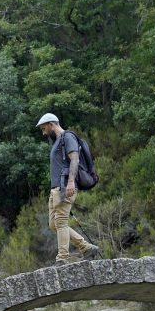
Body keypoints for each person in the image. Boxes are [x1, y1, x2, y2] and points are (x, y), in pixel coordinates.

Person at [36, 113, 99, 265]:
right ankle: (86, 247)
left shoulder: (67, 137)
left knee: (61, 222)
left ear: (52, 124)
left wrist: (71, 182)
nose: (44, 133)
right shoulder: (57, 142)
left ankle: (62, 258)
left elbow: (75, 159)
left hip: (65, 186)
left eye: (44, 129)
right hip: (56, 189)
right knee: (53, 224)